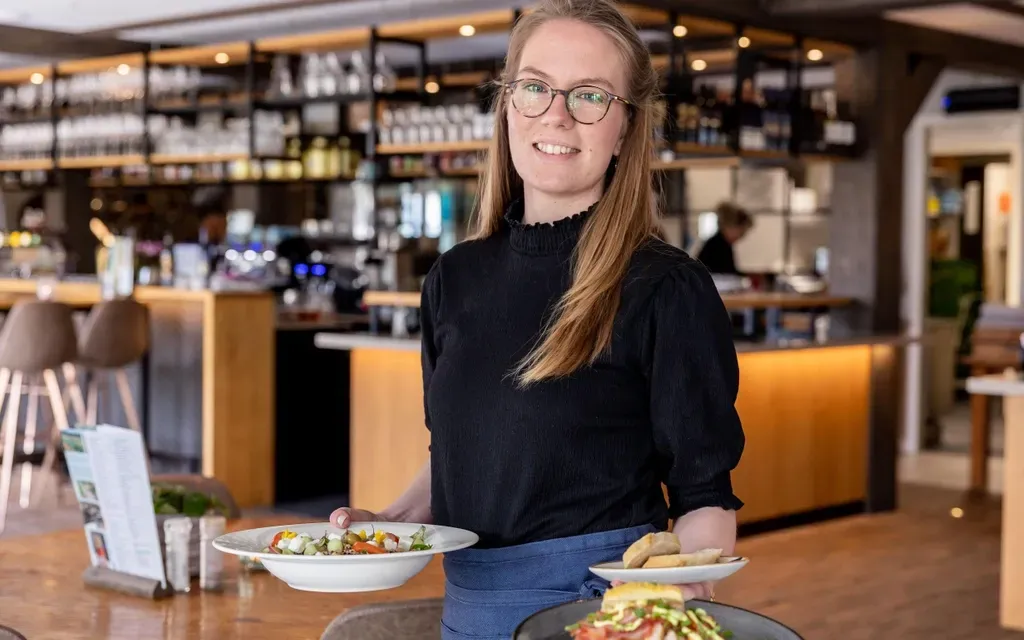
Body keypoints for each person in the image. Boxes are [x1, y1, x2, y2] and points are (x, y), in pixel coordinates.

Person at [331, 1, 745, 637]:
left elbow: (704, 494)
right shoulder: (453, 279)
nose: (556, 114)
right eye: (536, 87)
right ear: (507, 103)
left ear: (627, 128)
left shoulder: (665, 287)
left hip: (597, 612)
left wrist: (685, 581)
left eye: (590, 96)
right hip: (469, 611)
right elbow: (462, 455)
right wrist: (389, 522)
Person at [696, 201, 754, 275]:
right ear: (731, 227)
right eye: (741, 233)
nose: (741, 237)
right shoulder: (717, 246)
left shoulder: (721, 244)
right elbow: (727, 274)